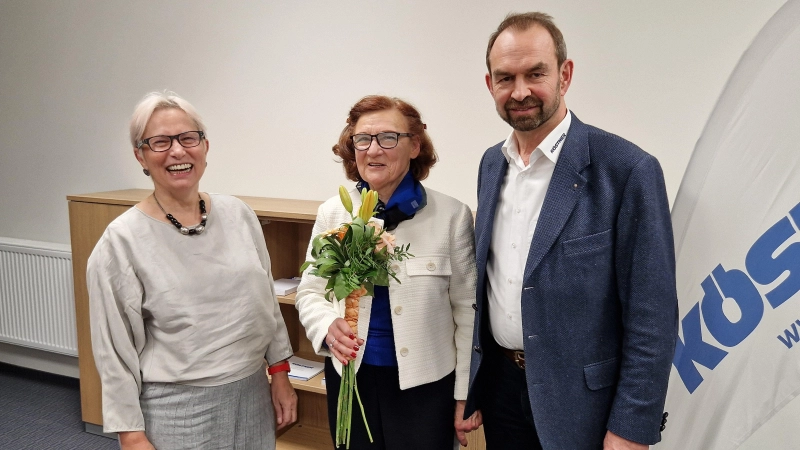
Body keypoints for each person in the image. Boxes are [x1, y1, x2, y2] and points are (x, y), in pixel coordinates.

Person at [464, 12, 679, 450]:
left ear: (565, 74)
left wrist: (631, 426)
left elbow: (652, 317)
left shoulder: (627, 170)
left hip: (584, 406)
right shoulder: (491, 164)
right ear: (490, 85)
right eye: (505, 77)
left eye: (535, 73)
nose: (520, 91)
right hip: (503, 391)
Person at [87, 91, 297, 450]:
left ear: (205, 146)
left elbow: (264, 300)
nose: (178, 151)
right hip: (178, 406)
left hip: (252, 391)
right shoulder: (122, 241)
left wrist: (279, 372)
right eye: (160, 142)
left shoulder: (238, 214)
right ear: (140, 155)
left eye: (188, 138)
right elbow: (113, 349)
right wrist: (131, 435)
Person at [295, 95, 481, 449]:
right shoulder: (334, 213)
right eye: (362, 139)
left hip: (426, 387)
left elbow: (468, 312)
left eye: (388, 138)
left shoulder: (452, 216)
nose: (373, 149)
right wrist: (325, 328)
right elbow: (309, 292)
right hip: (350, 378)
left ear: (414, 146)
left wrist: (464, 394)